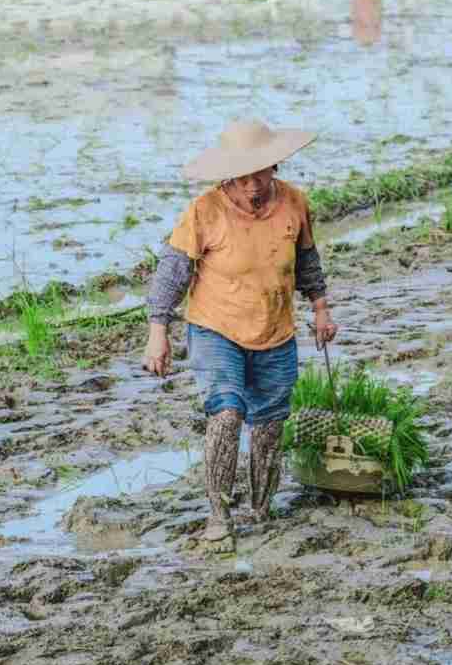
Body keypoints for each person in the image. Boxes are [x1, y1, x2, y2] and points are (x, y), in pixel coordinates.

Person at [143, 119, 337, 551]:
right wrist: (158, 332)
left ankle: (261, 509)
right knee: (227, 414)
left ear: (276, 166)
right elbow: (170, 276)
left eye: (261, 173)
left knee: (269, 426)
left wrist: (321, 308)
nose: (252, 184)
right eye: (243, 176)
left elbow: (306, 262)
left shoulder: (294, 204)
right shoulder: (204, 212)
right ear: (228, 175)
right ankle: (218, 515)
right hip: (217, 329)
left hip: (275, 329)